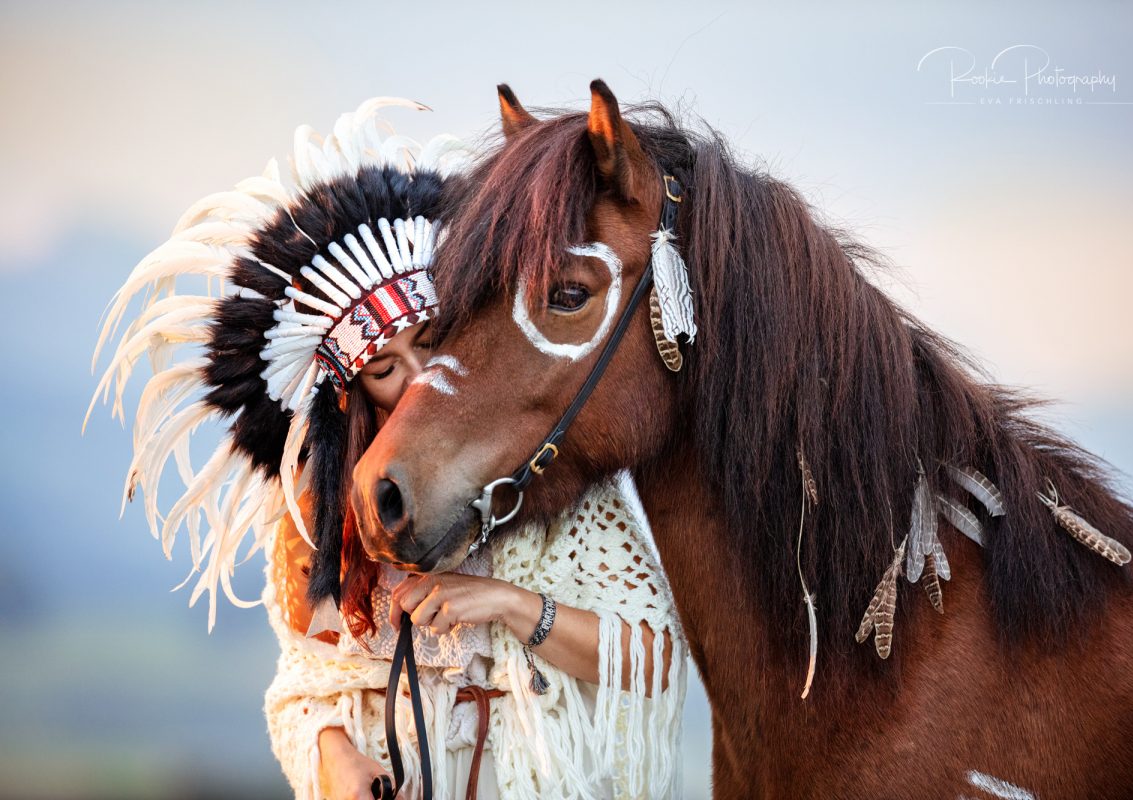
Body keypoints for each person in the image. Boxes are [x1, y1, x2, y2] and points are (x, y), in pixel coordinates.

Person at [89, 97, 687, 800]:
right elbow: (300, 690)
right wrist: (336, 760)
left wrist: (507, 603)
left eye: (429, 342)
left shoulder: (535, 473)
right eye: (383, 367)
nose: (416, 376)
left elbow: (655, 660)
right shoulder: (320, 509)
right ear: (353, 390)